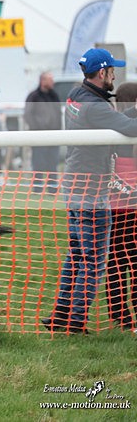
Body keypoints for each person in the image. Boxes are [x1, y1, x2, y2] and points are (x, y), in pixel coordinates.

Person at [42, 48, 137, 334]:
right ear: (102, 73)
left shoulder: (76, 96)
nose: (115, 76)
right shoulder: (97, 108)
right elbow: (131, 128)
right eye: (112, 71)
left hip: (73, 186)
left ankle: (60, 315)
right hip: (91, 191)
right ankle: (76, 322)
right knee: (93, 261)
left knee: (76, 256)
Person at [106, 82, 137, 332]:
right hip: (129, 205)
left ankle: (119, 314)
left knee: (115, 262)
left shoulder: (114, 124)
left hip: (116, 205)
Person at [24, 72, 62, 193]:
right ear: (42, 81)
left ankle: (52, 188)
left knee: (53, 163)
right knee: (38, 163)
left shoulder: (54, 96)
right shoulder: (33, 96)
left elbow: (58, 114)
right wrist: (37, 129)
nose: (52, 82)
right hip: (38, 137)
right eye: (50, 80)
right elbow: (28, 115)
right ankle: (38, 188)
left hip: (54, 136)